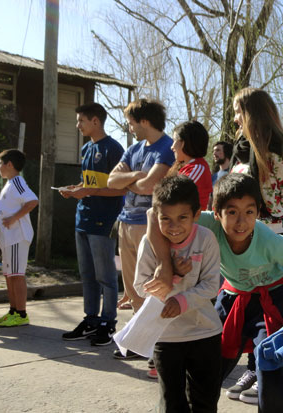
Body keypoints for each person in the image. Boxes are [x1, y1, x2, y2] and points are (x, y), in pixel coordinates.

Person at [144, 173, 283, 408]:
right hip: (233, 295)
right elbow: (153, 215)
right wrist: (165, 265)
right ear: (216, 213)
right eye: (232, 212)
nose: (241, 222)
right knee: (212, 362)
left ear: (258, 212)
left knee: (270, 363)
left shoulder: (269, 240)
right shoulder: (207, 223)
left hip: (272, 296)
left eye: (249, 212)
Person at [133, 175, 223, 412]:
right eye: (166, 219)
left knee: (205, 402)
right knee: (171, 403)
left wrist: (182, 301)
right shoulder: (148, 243)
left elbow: (211, 285)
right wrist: (173, 275)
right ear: (156, 216)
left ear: (196, 214)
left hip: (205, 333)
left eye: (182, 218)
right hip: (166, 338)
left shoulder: (206, 239)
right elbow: (140, 286)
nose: (174, 227)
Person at [108, 99, 174, 361]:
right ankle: (137, 342)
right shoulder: (133, 149)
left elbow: (150, 187)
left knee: (152, 287)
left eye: (131, 123)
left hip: (151, 226)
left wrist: (131, 180)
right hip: (125, 223)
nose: (130, 128)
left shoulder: (167, 148)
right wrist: (137, 176)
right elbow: (112, 181)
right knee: (133, 289)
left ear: (144, 121)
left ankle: (156, 343)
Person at [60, 103, 126, 346]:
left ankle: (108, 323)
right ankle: (91, 319)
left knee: (105, 276)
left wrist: (89, 191)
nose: (78, 125)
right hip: (83, 220)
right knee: (87, 274)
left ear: (95, 121)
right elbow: (86, 182)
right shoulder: (86, 148)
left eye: (81, 121)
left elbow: (120, 188)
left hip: (103, 221)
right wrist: (74, 190)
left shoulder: (113, 149)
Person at [230, 87, 283, 234]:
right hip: (236, 233)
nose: (235, 119)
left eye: (238, 112)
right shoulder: (240, 149)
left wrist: (269, 204)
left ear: (252, 114)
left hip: (267, 234)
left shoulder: (273, 152)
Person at [0, 149, 38, 327]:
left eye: (0, 163)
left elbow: (33, 200)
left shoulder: (17, 181)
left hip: (16, 237)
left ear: (9, 165)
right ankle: (13, 311)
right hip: (7, 238)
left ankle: (21, 314)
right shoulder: (10, 183)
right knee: (9, 275)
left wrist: (14, 218)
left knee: (16, 275)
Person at [168, 119, 213, 210]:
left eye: (174, 141)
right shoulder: (184, 167)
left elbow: (172, 197)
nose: (172, 147)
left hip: (194, 221)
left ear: (184, 142)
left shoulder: (198, 168)